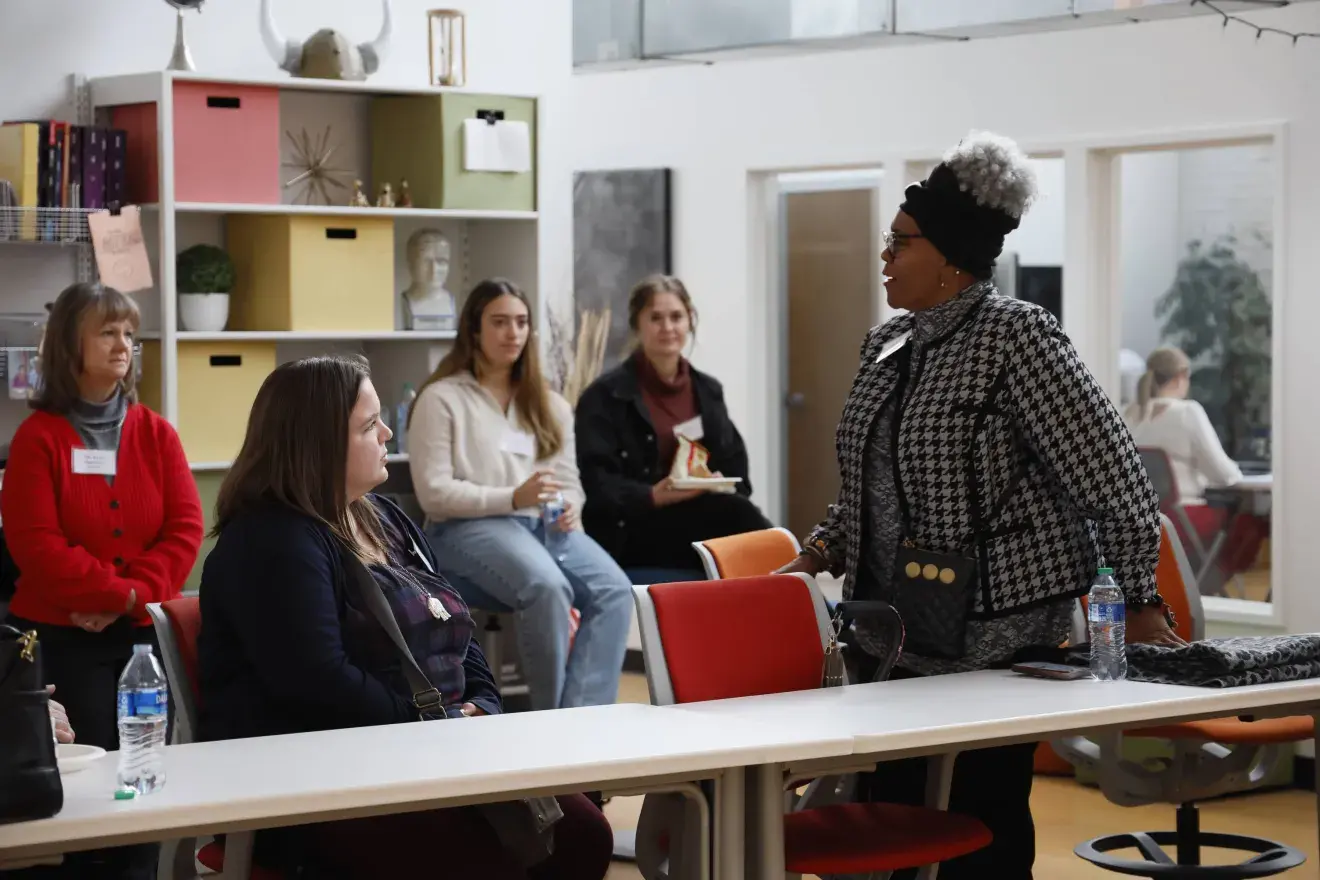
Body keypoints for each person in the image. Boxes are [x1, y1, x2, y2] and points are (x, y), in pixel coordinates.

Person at [777, 132, 1182, 879]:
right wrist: (814, 554)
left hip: (995, 640)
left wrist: (1140, 594)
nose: (885, 256)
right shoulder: (887, 344)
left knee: (977, 824)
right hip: (889, 635)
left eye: (901, 243)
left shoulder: (1017, 338)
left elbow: (1116, 478)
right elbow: (867, 486)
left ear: (952, 257)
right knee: (892, 819)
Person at [196, 354, 613, 880]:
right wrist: (431, 729)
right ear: (317, 443)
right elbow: (317, 681)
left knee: (583, 834)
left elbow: (456, 625)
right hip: (319, 784)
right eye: (370, 425)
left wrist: (481, 705)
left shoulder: (385, 515)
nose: (389, 432)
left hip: (428, 755)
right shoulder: (273, 540)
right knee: (492, 859)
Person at [1, 282, 203, 880]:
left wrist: (131, 598)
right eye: (108, 333)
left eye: (128, 334)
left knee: (139, 790)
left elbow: (185, 530)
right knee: (81, 802)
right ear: (71, 344)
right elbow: (35, 546)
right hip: (58, 646)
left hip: (139, 643)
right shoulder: (38, 440)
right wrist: (115, 594)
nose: (123, 346)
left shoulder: (157, 434)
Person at [407, 278, 632, 712]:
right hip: (465, 529)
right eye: (500, 322)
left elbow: (569, 481)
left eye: (522, 322)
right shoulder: (441, 398)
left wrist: (571, 509)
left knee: (616, 591)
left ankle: (582, 724)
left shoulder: (549, 404)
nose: (513, 332)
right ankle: (547, 727)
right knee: (547, 586)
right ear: (474, 330)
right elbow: (434, 495)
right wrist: (513, 497)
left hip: (544, 526)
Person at [575, 274, 772, 571]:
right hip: (634, 530)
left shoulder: (708, 390)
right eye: (655, 318)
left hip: (705, 518)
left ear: (689, 321)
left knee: (743, 523)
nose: (667, 328)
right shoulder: (604, 397)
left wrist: (714, 482)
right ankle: (817, 610)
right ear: (637, 325)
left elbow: (737, 471)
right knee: (742, 521)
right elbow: (597, 484)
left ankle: (809, 606)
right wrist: (653, 495)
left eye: (676, 317)